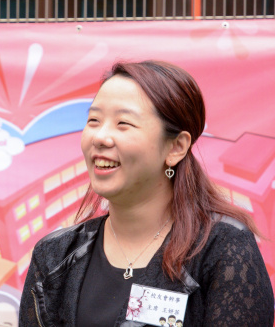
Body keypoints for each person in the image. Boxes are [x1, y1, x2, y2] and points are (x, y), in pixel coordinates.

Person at [19, 60, 274, 326]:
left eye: (123, 123)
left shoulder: (223, 248)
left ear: (176, 147)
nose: (100, 137)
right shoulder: (53, 255)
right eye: (93, 120)